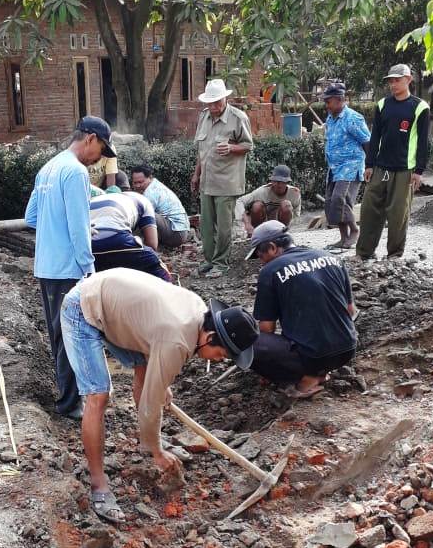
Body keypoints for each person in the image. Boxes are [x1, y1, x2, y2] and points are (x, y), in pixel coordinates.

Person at [60, 268, 258, 522]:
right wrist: (157, 452)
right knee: (98, 395)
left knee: (145, 371)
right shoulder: (176, 342)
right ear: (209, 337)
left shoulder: (197, 312)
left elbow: (155, 349)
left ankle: (150, 442)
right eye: (221, 355)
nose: (219, 361)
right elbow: (150, 406)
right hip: (84, 307)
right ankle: (99, 485)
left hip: (117, 305)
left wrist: (160, 382)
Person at [24, 115, 115, 419]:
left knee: (57, 336)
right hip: (68, 269)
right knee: (72, 337)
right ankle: (69, 403)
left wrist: (56, 228)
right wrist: (89, 270)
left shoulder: (49, 168)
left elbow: (32, 218)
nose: (100, 158)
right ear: (90, 138)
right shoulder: (75, 173)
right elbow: (79, 228)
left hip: (47, 266)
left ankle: (67, 397)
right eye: (101, 149)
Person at [246, 220, 357, 398]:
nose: (261, 262)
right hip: (347, 349)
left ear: (273, 248)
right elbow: (350, 311)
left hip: (313, 357)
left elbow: (267, 329)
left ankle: (307, 380)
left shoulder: (271, 271)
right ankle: (321, 368)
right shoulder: (332, 258)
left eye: (260, 256)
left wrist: (271, 366)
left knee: (247, 342)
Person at [356, 63, 430, 261]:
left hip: (405, 170)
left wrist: (419, 171)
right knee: (370, 209)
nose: (393, 84)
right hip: (380, 167)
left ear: (408, 80)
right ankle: (364, 252)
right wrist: (369, 164)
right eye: (390, 81)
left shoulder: (420, 107)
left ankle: (395, 255)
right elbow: (375, 136)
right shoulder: (383, 105)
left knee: (398, 215)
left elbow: (423, 141)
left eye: (397, 80)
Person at [191, 79, 253, 277]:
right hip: (206, 181)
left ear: (225, 98)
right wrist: (196, 174)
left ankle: (221, 263)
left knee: (224, 227)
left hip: (227, 181)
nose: (214, 107)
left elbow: (248, 146)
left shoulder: (238, 117)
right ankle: (209, 260)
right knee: (207, 226)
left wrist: (232, 148)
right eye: (210, 103)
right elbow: (203, 150)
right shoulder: (204, 117)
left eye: (217, 102)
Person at [322, 82, 370, 251]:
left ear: (341, 99)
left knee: (340, 199)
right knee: (331, 202)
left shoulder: (353, 118)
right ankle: (343, 238)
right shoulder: (330, 118)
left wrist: (370, 166)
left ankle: (355, 230)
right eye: (325, 101)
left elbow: (367, 141)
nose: (326, 104)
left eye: (329, 101)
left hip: (351, 166)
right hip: (334, 167)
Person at [90, 189, 171, 282]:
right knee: (157, 269)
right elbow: (152, 244)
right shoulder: (143, 200)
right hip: (117, 239)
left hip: (88, 247)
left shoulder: (93, 200)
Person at [130, 164, 191, 248]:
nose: (137, 186)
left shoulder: (151, 192)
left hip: (177, 233)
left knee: (143, 213)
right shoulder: (154, 184)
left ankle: (141, 246)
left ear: (150, 178)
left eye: (141, 182)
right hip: (176, 230)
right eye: (135, 183)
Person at [238, 164, 301, 236]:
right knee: (257, 206)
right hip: (262, 223)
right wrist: (247, 224)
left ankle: (282, 233)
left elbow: (296, 215)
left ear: (287, 182)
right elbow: (240, 201)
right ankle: (256, 233)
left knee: (286, 204)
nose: (278, 184)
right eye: (276, 181)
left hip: (280, 225)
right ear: (272, 181)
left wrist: (289, 227)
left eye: (282, 182)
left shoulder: (294, 193)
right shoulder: (262, 191)